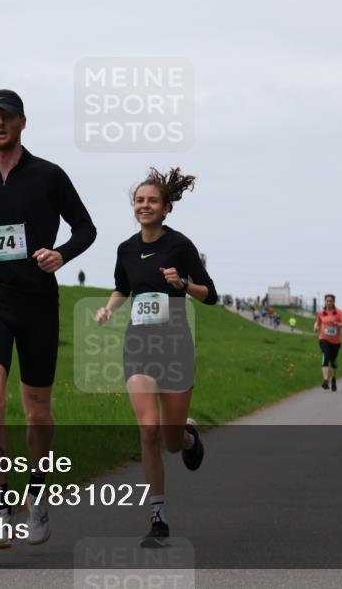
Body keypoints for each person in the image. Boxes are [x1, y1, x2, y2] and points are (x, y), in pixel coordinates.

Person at [0, 89, 97, 551]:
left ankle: (38, 496)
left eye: (7, 117)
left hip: (37, 302)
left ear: (23, 123)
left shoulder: (49, 175)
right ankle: (0, 509)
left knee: (37, 410)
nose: (0, 123)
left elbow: (85, 228)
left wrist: (61, 254)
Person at [95, 167, 217, 546]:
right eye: (139, 200)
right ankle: (158, 515)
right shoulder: (126, 249)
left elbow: (210, 294)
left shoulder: (180, 246)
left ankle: (188, 438)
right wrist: (109, 309)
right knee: (148, 429)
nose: (144, 206)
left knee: (170, 439)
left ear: (166, 209)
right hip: (139, 345)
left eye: (152, 201)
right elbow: (122, 288)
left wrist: (182, 284)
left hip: (175, 344)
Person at [313, 294, 342, 391]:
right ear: (325, 301)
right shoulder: (321, 313)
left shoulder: (338, 312)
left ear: (334, 302)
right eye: (327, 301)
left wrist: (338, 324)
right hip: (324, 339)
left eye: (331, 301)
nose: (329, 302)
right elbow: (317, 322)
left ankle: (334, 379)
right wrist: (315, 326)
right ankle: (325, 380)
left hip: (336, 341)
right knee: (325, 356)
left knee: (334, 362)